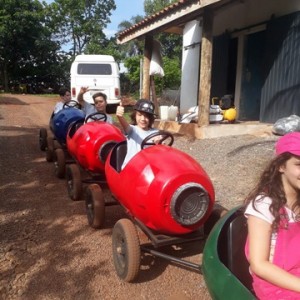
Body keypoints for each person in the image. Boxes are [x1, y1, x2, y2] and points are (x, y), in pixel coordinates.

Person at [244, 132, 300, 299]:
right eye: (299, 164)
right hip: (274, 280)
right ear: (281, 167)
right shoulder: (264, 205)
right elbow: (259, 264)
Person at [116, 99, 159, 169]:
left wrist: (159, 141)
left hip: (147, 169)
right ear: (135, 115)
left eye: (146, 116)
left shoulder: (155, 132)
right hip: (131, 168)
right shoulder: (132, 130)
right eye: (140, 115)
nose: (143, 119)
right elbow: (125, 126)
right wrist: (120, 117)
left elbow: (160, 139)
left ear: (151, 118)